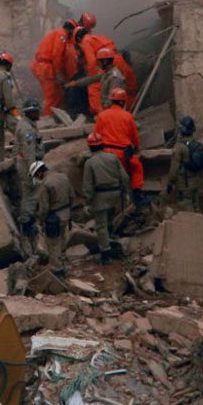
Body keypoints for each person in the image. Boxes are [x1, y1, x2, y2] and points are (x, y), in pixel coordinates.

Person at [82, 132, 130, 264]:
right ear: (102, 144)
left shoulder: (90, 163)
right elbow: (124, 177)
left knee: (101, 226)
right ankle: (112, 241)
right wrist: (125, 192)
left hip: (100, 197)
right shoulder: (112, 157)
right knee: (109, 219)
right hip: (115, 194)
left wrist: (87, 202)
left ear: (90, 147)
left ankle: (106, 254)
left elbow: (88, 185)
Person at [94, 87, 146, 205]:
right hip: (122, 154)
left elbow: (96, 135)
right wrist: (137, 148)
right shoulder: (127, 116)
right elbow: (135, 137)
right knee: (137, 167)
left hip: (106, 153)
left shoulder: (102, 115)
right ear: (122, 101)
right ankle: (137, 193)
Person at [31, 160, 73, 277]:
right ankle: (62, 262)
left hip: (54, 218)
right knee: (61, 240)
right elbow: (72, 196)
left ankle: (57, 270)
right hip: (66, 214)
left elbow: (44, 208)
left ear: (39, 173)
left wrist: (40, 220)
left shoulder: (45, 185)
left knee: (52, 244)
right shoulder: (63, 177)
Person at [30, 19, 77, 116]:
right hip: (46, 68)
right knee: (52, 97)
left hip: (43, 66)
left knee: (58, 95)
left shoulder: (56, 33)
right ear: (71, 30)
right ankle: (48, 120)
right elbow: (57, 55)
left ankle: (54, 117)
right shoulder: (62, 35)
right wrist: (59, 74)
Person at [13, 99, 43, 225]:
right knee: (33, 192)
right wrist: (35, 170)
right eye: (36, 112)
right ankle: (27, 221)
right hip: (30, 164)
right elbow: (29, 152)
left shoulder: (26, 124)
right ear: (30, 113)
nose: (39, 114)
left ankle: (26, 218)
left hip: (26, 163)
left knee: (28, 192)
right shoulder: (27, 130)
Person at [68, 47, 126, 112]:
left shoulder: (115, 78)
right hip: (107, 111)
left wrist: (103, 113)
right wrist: (76, 83)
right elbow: (91, 79)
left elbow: (112, 100)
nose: (98, 64)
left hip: (112, 113)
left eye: (99, 62)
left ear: (105, 61)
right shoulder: (106, 73)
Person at [166, 115, 203, 211]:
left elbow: (174, 169)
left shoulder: (179, 147)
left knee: (187, 212)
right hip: (195, 182)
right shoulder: (196, 145)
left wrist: (170, 183)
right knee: (196, 208)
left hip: (184, 184)